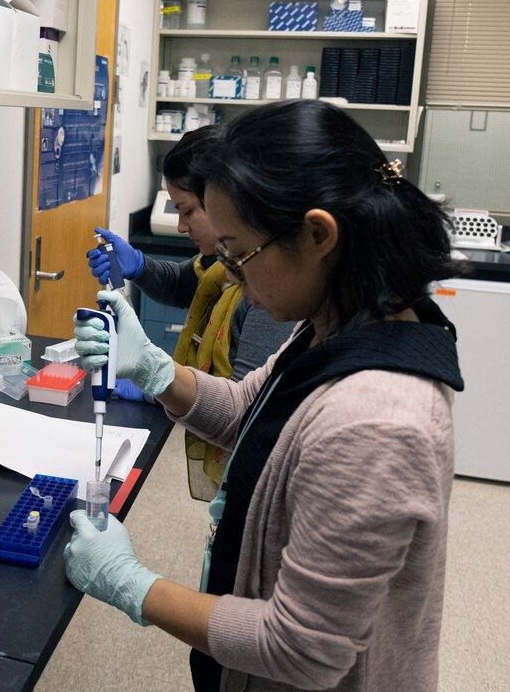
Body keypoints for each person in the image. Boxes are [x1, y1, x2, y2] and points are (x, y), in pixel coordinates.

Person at [67, 100, 463, 691]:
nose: (233, 280)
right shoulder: (337, 324)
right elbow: (249, 410)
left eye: (237, 254)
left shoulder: (377, 422)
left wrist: (132, 584)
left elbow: (300, 649)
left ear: (317, 232)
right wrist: (152, 367)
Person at [87, 125, 294, 501]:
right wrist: (139, 266)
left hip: (250, 467)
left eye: (188, 211)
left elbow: (244, 412)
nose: (181, 226)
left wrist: (156, 377)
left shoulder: (269, 290)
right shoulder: (221, 265)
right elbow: (189, 283)